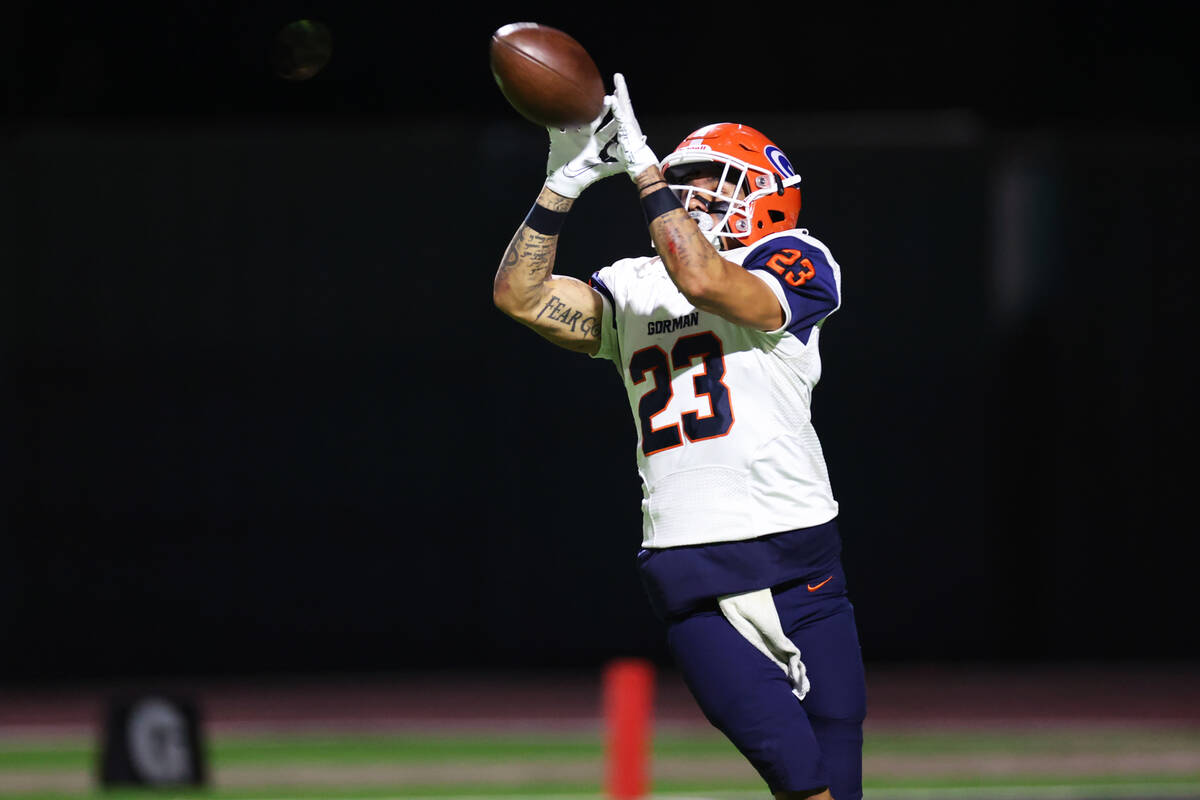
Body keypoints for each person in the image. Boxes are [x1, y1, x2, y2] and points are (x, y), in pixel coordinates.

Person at [492, 74, 867, 800]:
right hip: (692, 569)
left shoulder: (797, 258)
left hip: (803, 567)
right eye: (683, 182)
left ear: (767, 193)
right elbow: (520, 296)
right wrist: (561, 185)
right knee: (802, 786)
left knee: (840, 786)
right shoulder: (632, 284)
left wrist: (646, 170)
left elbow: (705, 280)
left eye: (712, 182)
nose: (692, 196)